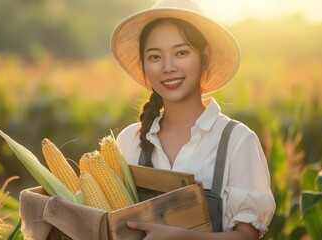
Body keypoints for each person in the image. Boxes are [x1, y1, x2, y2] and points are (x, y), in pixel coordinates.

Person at [112, 0, 276, 239]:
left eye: (181, 52)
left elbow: (247, 236)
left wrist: (182, 238)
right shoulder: (129, 140)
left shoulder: (237, 141)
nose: (168, 67)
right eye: (155, 56)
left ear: (204, 56)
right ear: (144, 64)